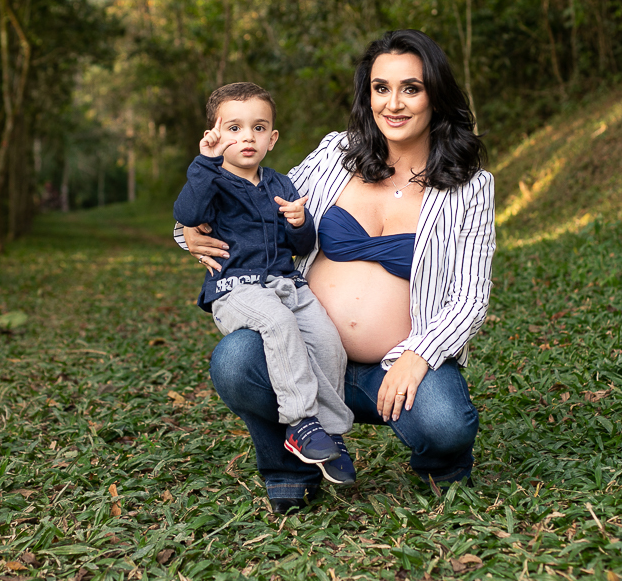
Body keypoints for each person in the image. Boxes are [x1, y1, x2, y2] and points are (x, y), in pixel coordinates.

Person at [179, 31, 495, 513]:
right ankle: (291, 468)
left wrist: (420, 357)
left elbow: (471, 295)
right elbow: (252, 200)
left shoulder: (469, 187)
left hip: (397, 365)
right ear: (367, 95)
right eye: (380, 88)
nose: (394, 103)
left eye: (411, 88)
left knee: (447, 423)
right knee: (236, 360)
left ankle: (441, 466)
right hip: (304, 354)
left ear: (436, 93)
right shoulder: (336, 153)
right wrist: (186, 233)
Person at [174, 82, 355, 485]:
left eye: (258, 128)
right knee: (277, 324)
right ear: (214, 135)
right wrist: (203, 163)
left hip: (286, 283)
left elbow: (300, 245)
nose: (246, 137)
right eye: (234, 128)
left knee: (326, 340)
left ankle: (331, 431)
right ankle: (300, 423)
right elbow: (187, 212)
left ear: (272, 138)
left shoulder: (280, 185)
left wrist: (299, 223)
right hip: (235, 289)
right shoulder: (212, 181)